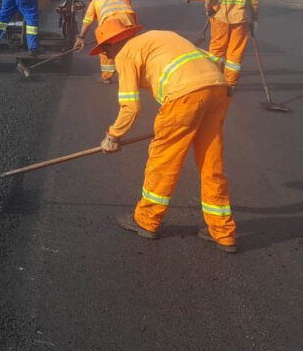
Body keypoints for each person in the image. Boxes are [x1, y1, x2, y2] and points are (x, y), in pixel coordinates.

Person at [92, 19, 237, 253]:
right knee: (212, 164)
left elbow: (130, 107)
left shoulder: (125, 54)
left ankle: (146, 220)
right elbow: (210, 58)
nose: (105, 54)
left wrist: (113, 136)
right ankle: (222, 231)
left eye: (104, 48)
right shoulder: (161, 35)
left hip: (184, 97)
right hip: (218, 88)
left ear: (113, 42)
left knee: (163, 162)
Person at [185, 0, 259, 86]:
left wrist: (208, 9)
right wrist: (254, 19)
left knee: (217, 51)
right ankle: (231, 83)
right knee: (235, 54)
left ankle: (215, 80)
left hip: (220, 18)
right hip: (241, 20)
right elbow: (254, 0)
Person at [73, 0, 137, 83]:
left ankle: (107, 76)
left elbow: (87, 21)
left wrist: (81, 37)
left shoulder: (95, 0)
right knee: (129, 48)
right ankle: (132, 75)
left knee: (106, 49)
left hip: (110, 23)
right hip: (129, 22)